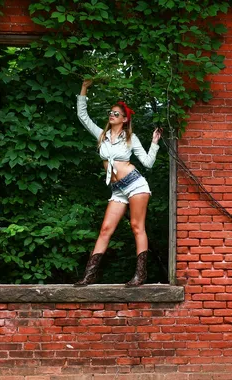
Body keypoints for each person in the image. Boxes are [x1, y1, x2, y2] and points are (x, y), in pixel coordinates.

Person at [74, 79, 161, 287]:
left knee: (136, 226)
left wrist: (155, 143)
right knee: (105, 229)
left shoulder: (131, 138)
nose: (111, 115)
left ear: (124, 119)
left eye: (115, 113)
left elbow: (148, 163)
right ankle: (89, 276)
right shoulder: (102, 136)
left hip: (135, 184)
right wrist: (84, 89)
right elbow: (82, 117)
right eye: (110, 113)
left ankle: (140, 275)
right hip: (117, 189)